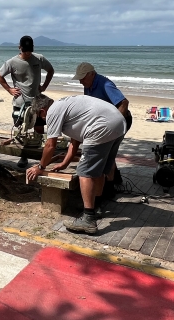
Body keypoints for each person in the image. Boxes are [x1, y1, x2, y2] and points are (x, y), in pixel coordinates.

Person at [26, 95, 127, 234]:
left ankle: (88, 219)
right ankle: (96, 206)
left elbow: (50, 145)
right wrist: (65, 163)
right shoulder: (66, 106)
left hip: (102, 126)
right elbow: (75, 140)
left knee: (84, 172)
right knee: (100, 169)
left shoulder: (52, 112)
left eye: (40, 116)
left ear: (42, 111)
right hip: (119, 122)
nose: (42, 119)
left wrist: (40, 167)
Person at [73, 62, 131, 200]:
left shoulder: (105, 84)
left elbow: (124, 103)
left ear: (92, 74)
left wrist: (114, 124)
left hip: (120, 119)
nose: (80, 81)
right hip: (104, 123)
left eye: (82, 78)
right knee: (108, 153)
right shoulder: (89, 85)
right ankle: (115, 180)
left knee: (106, 155)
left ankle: (109, 189)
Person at [0, 36, 55, 166]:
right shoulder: (12, 62)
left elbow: (51, 70)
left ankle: (41, 158)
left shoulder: (39, 59)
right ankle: (23, 156)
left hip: (38, 101)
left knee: (39, 129)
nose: (27, 53)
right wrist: (9, 90)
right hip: (20, 102)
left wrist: (44, 86)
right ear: (20, 48)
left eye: (29, 50)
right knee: (20, 129)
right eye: (25, 50)